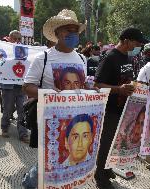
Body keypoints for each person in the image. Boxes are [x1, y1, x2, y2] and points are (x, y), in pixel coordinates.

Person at [22, 9, 87, 188]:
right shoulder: (42, 58)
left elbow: (82, 86)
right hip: (49, 120)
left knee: (66, 157)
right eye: (68, 29)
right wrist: (49, 93)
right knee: (48, 158)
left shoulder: (82, 58)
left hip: (75, 120)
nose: (73, 34)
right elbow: (27, 87)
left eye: (75, 30)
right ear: (57, 33)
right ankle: (30, 182)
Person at [94, 27, 147, 188]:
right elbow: (97, 85)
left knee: (115, 143)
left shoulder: (128, 57)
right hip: (110, 109)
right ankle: (100, 176)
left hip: (125, 109)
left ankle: (107, 168)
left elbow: (125, 79)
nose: (139, 46)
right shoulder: (110, 57)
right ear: (126, 40)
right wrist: (119, 89)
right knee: (107, 142)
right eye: (137, 43)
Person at [0, 30, 29, 142]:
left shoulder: (24, 51)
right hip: (8, 86)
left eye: (19, 39)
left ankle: (23, 133)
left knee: (22, 109)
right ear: (10, 38)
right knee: (8, 108)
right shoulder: (4, 50)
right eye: (15, 38)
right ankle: (5, 127)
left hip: (21, 86)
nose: (17, 41)